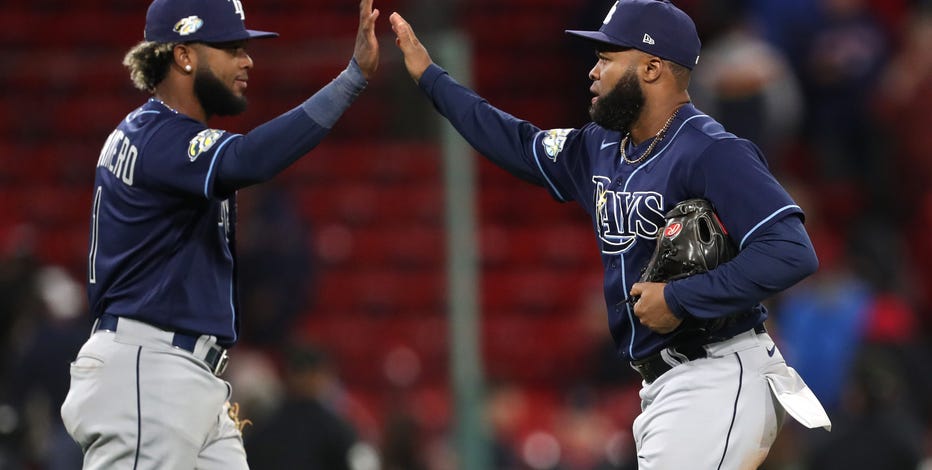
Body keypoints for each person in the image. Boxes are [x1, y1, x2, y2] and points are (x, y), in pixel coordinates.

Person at [389, 0, 831, 468]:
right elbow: (517, 143)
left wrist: (681, 297)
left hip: (717, 372)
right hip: (667, 384)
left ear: (652, 68)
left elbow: (792, 251)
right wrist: (431, 78)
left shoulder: (712, 151)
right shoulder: (600, 147)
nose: (592, 71)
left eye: (606, 58)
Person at [59, 0, 380, 467]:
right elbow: (251, 159)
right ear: (184, 55)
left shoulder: (154, 134)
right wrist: (351, 80)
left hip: (184, 375)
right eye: (231, 47)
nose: (247, 60)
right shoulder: (157, 136)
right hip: (148, 370)